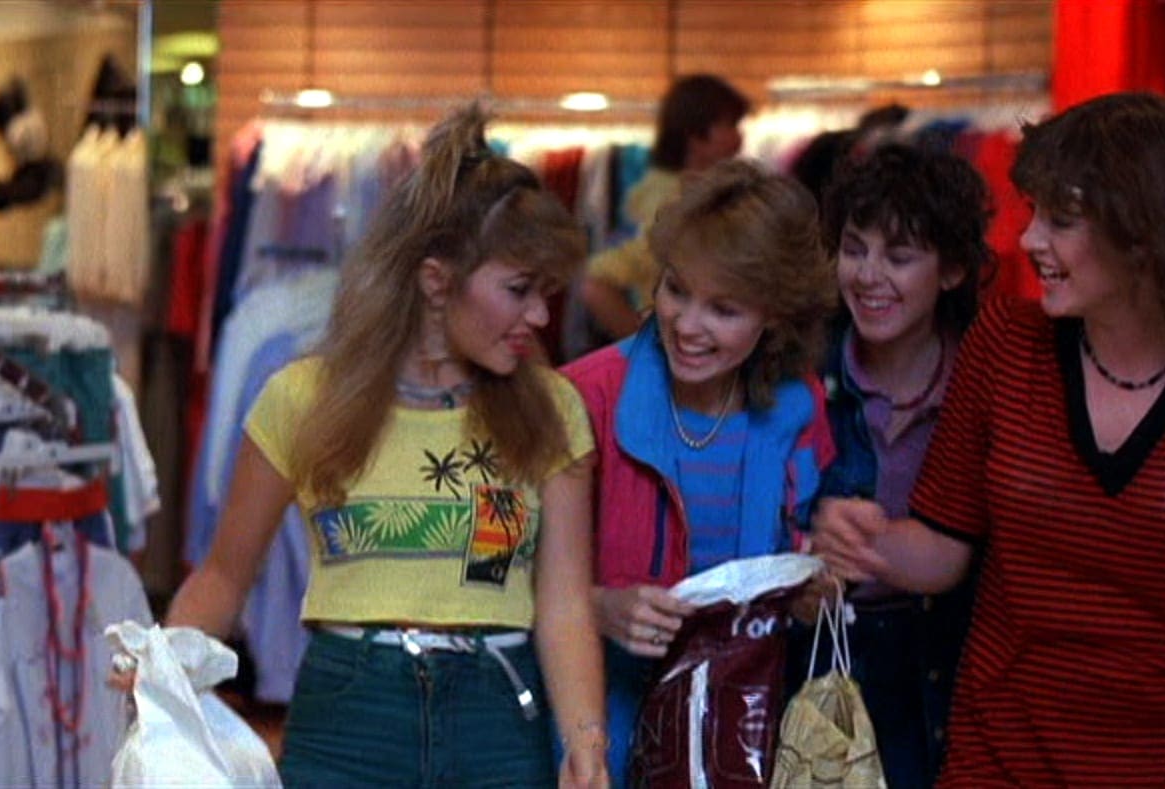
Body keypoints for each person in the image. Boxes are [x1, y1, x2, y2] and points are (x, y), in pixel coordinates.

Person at [813, 92, 1165, 787]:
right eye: (1034, 214)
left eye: (1061, 220)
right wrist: (866, 539)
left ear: (1144, 232)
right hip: (996, 757)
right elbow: (942, 547)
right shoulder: (1004, 343)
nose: (1028, 241)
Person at [156, 106, 608, 788]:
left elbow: (564, 601)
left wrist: (586, 741)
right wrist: (161, 672)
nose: (541, 317)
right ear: (435, 280)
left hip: (497, 718)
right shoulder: (304, 397)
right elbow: (223, 574)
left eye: (545, 294)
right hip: (348, 718)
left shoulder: (551, 409)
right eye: (519, 291)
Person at [562, 160, 837, 783]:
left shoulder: (801, 406)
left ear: (775, 315)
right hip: (602, 730)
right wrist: (598, 606)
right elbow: (497, 581)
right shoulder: (584, 397)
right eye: (676, 289)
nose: (686, 324)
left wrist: (813, 593)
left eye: (724, 308)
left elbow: (799, 554)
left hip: (740, 733)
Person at [803, 143, 991, 789]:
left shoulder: (987, 381)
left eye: (900, 256)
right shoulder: (804, 373)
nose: (868, 275)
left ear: (952, 269)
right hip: (822, 659)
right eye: (854, 248)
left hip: (950, 660)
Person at [578, 74, 750, 342]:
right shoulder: (672, 200)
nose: (739, 135)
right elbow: (596, 281)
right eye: (730, 124)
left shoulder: (685, 190)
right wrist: (644, 347)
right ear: (696, 134)